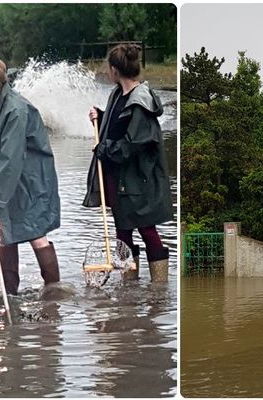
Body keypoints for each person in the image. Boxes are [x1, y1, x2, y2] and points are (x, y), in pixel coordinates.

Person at [0, 54, 61, 296]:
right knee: (4, 234)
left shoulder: (16, 109)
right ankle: (10, 294)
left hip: (30, 181)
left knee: (36, 234)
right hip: (13, 180)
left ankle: (54, 294)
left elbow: (10, 158)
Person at [84, 44, 173, 282]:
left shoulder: (141, 103)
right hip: (120, 176)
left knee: (146, 228)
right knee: (122, 229)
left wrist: (103, 149)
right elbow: (118, 125)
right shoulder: (117, 95)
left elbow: (132, 145)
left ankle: (159, 289)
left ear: (115, 70)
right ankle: (130, 288)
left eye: (108, 67)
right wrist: (101, 117)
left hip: (139, 178)